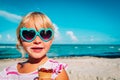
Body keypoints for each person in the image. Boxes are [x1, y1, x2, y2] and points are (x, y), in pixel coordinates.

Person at [0, 12, 69, 80]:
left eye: (45, 34)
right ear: (20, 40)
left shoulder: (57, 70)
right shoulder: (8, 73)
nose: (37, 41)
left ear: (51, 40)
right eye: (29, 34)